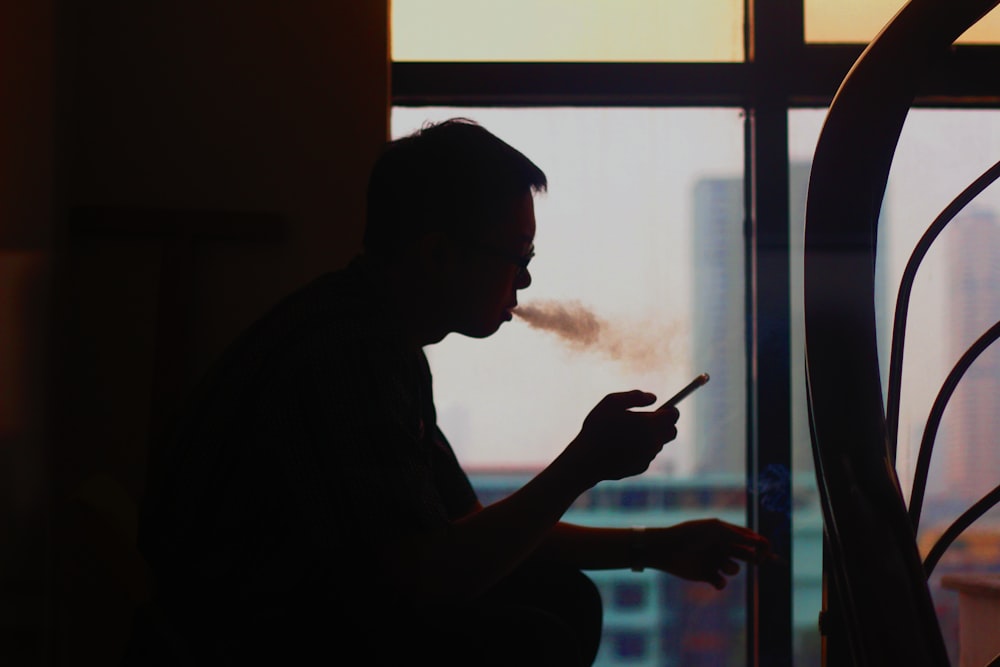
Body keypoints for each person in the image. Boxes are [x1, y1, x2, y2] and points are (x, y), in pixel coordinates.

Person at [132, 118, 771, 666]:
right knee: (534, 632)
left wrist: (651, 546)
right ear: (438, 254)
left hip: (286, 615)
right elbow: (424, 581)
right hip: (236, 640)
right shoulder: (348, 354)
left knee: (560, 598)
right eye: (515, 254)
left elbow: (465, 530)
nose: (524, 278)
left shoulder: (377, 337)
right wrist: (585, 464)